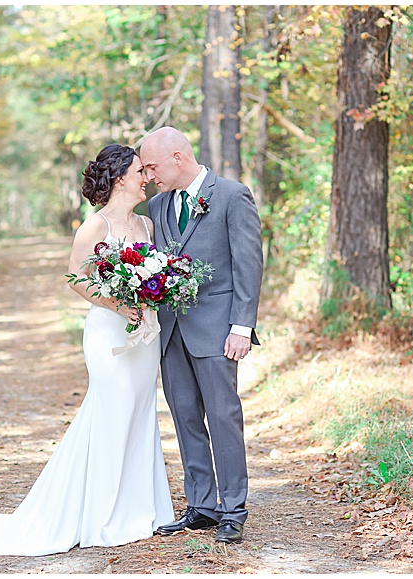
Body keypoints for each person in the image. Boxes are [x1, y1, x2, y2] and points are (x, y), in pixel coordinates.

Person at [0, 144, 173, 561]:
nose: (145, 176)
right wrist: (117, 303)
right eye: (137, 170)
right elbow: (75, 277)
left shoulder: (147, 224)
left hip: (144, 333)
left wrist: (153, 294)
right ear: (118, 178)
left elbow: (156, 273)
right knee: (111, 410)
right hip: (109, 332)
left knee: (141, 411)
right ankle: (99, 516)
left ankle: (138, 510)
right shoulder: (94, 227)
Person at [140, 127, 263, 544]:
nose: (148, 174)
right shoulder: (156, 206)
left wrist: (242, 327)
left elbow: (249, 264)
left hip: (217, 328)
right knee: (186, 419)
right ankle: (202, 506)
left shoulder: (231, 195)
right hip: (170, 332)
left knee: (224, 418)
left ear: (177, 157)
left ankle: (233, 509)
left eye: (153, 165)